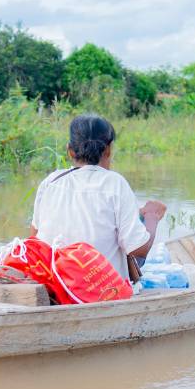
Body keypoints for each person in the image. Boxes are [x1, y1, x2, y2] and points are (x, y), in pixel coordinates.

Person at [28, 114, 167, 280]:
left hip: (56, 284)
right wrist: (152, 217)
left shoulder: (50, 182)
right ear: (108, 150)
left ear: (70, 151)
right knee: (135, 252)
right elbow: (138, 249)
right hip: (102, 289)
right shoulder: (115, 183)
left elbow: (34, 239)